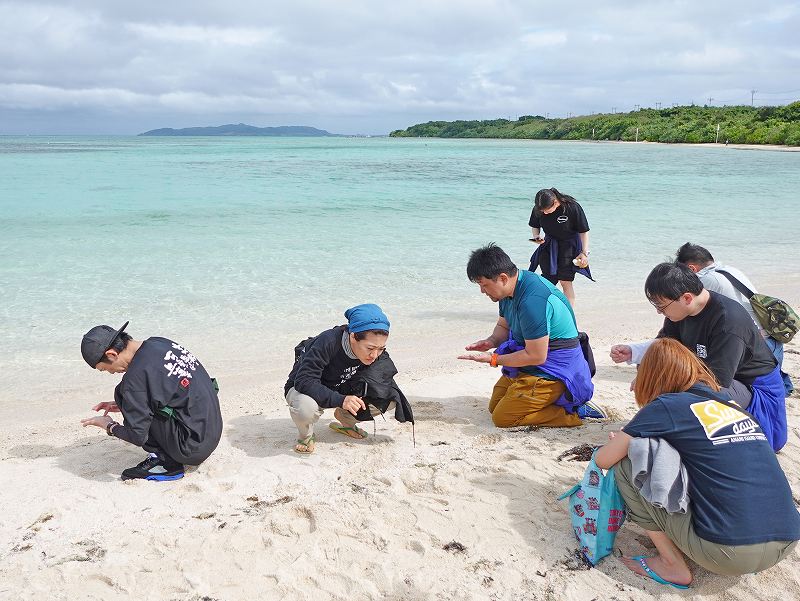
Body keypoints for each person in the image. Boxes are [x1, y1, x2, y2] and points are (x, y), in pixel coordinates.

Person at [596, 338, 799, 588]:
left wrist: (626, 443)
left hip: (730, 555)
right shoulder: (731, 405)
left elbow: (603, 459)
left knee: (627, 464)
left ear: (651, 376)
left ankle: (671, 564)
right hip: (787, 540)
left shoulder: (666, 405)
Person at [610, 262, 786, 451]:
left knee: (678, 386)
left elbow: (715, 385)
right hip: (714, 378)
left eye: (661, 306)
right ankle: (656, 426)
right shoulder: (680, 313)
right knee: (654, 366)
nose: (659, 312)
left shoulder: (728, 322)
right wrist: (646, 372)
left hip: (753, 390)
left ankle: (657, 429)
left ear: (686, 298)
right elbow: (663, 348)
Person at [458, 244, 603, 428]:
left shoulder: (532, 301)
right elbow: (504, 325)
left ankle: (572, 412)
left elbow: (536, 356)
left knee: (503, 418)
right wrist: (491, 341)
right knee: (494, 406)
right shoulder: (509, 290)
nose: (482, 291)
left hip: (554, 371)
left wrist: (493, 359)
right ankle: (556, 401)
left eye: (484, 285)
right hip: (532, 365)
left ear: (502, 278)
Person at [80, 322, 223, 481]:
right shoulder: (159, 343)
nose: (110, 372)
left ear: (112, 354)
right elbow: (167, 385)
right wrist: (126, 404)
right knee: (125, 395)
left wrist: (109, 425)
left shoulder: (135, 379)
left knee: (122, 392)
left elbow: (137, 436)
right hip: (211, 429)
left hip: (191, 449)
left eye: (104, 369)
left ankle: (167, 464)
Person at [284, 303, 413, 454]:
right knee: (305, 408)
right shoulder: (328, 342)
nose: (374, 355)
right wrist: (341, 400)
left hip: (340, 386)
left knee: (390, 396)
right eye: (370, 348)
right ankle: (306, 435)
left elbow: (381, 380)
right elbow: (304, 381)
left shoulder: (375, 351)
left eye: (381, 348)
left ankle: (345, 419)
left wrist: (351, 397)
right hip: (304, 388)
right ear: (353, 337)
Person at [675, 242, 792, 395]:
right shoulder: (730, 270)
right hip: (771, 339)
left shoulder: (705, 281)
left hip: (754, 345)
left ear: (691, 269)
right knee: (775, 389)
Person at [528, 188, 593, 306]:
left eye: (547, 211)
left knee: (565, 281)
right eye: (542, 211)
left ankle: (569, 315)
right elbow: (535, 225)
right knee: (547, 281)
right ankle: (544, 311)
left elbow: (583, 231)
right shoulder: (539, 208)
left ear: (556, 202)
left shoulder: (572, 207)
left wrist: (584, 252)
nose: (544, 213)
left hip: (570, 246)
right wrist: (537, 237)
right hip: (548, 245)